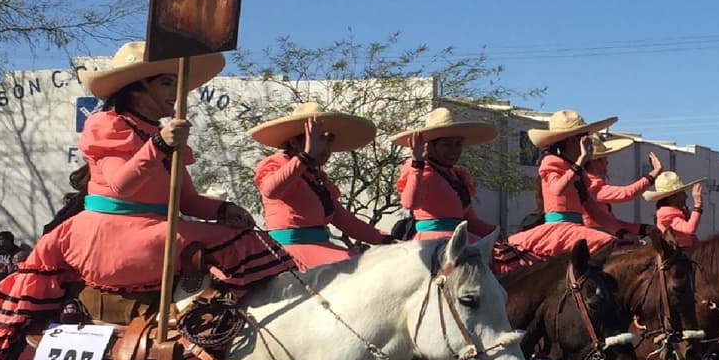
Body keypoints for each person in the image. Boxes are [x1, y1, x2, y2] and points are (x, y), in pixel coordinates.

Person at [0, 41, 294, 360]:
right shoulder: (107, 123)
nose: (176, 93)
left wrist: (224, 208)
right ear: (137, 88)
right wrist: (159, 144)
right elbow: (121, 185)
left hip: (149, 229)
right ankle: (213, 330)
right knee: (243, 245)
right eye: (166, 83)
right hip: (107, 234)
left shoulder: (159, 134)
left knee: (244, 236)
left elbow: (187, 202)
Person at [251, 102, 387, 270]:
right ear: (294, 142)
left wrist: (384, 239)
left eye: (329, 140)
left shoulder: (316, 176)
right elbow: (270, 190)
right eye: (318, 138)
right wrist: (305, 156)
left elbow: (343, 219)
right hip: (289, 252)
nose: (325, 147)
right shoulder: (277, 164)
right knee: (359, 268)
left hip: (321, 247)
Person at [507, 109, 621, 256]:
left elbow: (595, 211)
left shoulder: (576, 171)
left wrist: (621, 232)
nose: (588, 143)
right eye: (584, 137)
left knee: (615, 244)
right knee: (606, 243)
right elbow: (557, 189)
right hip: (559, 229)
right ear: (573, 140)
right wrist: (580, 162)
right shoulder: (552, 161)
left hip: (575, 228)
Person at [392, 106, 500, 241]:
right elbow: (410, 203)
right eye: (447, 145)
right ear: (429, 146)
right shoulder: (419, 169)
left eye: (457, 144)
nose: (454, 150)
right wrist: (417, 163)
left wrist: (498, 233)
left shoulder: (458, 176)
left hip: (459, 240)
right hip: (430, 244)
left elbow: (471, 222)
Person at [583, 137, 661, 240]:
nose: (607, 162)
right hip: (593, 237)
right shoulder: (591, 186)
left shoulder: (590, 184)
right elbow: (626, 193)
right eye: (604, 158)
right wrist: (654, 173)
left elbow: (611, 222)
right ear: (595, 162)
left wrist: (641, 228)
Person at [646, 171, 705, 248]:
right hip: (677, 256)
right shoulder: (667, 214)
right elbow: (690, 229)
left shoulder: (672, 213)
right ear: (672, 197)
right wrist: (697, 205)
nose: (686, 197)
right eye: (682, 193)